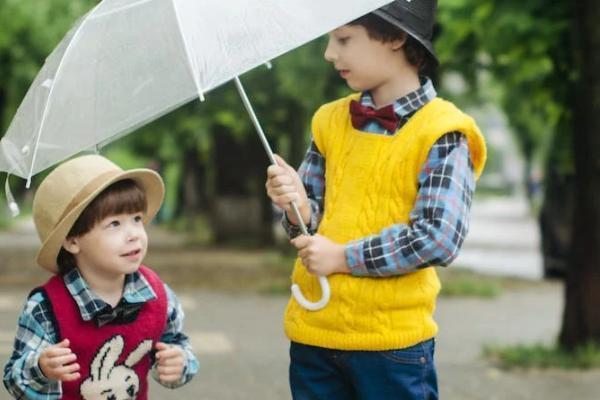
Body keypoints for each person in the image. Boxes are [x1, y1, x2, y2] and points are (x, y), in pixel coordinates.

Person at [265, 1, 486, 399]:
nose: (329, 53)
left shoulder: (443, 131)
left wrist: (343, 258)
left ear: (397, 37)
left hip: (391, 348)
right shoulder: (330, 121)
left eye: (344, 38)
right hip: (315, 332)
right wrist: (294, 204)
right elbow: (309, 228)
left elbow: (438, 238)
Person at [3, 155, 198, 399]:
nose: (134, 234)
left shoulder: (157, 295)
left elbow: (177, 344)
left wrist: (178, 363)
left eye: (137, 219)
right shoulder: (46, 308)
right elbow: (14, 381)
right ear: (73, 241)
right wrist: (42, 368)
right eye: (115, 224)